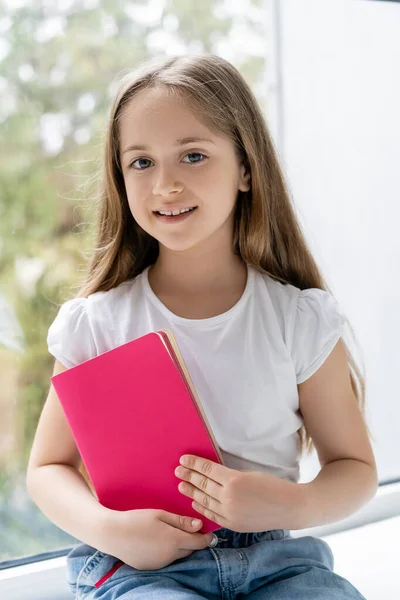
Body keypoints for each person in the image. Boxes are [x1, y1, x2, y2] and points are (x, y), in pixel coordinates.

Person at [26, 54, 377, 599]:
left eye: (193, 156)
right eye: (141, 162)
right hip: (145, 570)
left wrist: (290, 503)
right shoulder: (96, 324)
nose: (165, 184)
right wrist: (112, 530)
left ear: (245, 168)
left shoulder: (298, 319)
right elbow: (47, 468)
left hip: (279, 564)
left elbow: (354, 469)